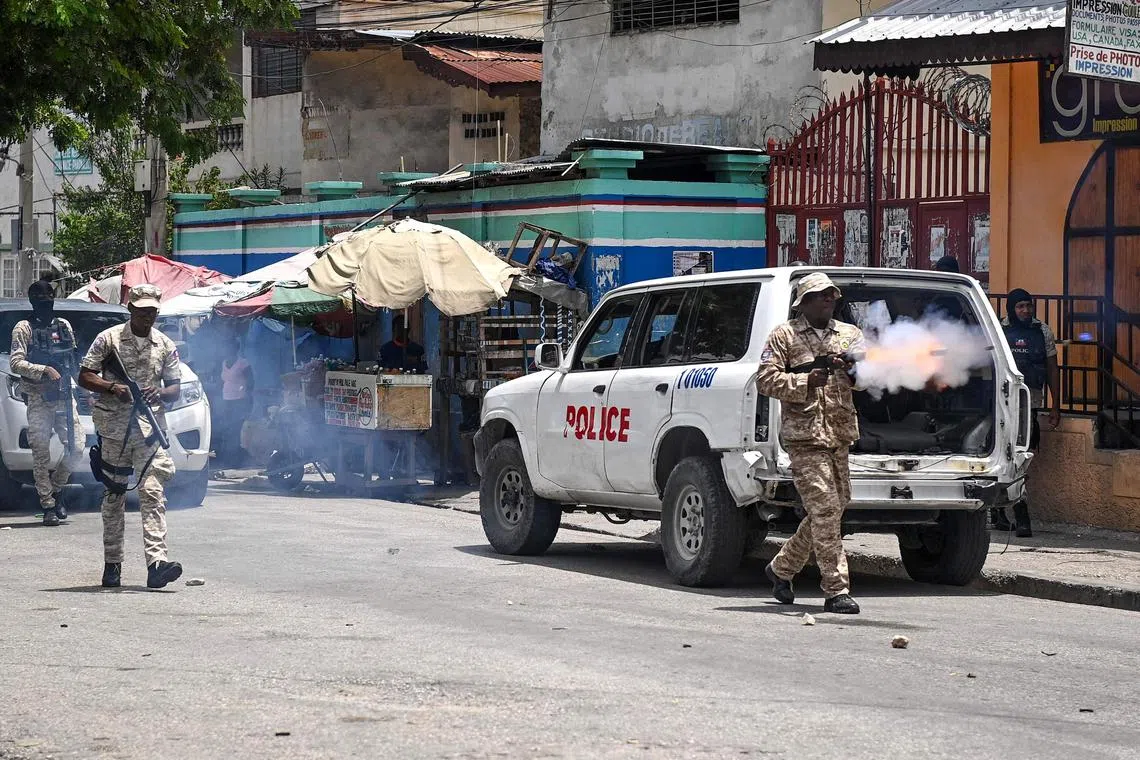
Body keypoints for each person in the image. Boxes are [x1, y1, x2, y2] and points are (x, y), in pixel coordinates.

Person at [758, 272, 865, 615]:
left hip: (839, 433)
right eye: (820, 295)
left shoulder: (850, 335)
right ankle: (836, 590)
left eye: (831, 295)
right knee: (825, 509)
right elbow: (765, 379)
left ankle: (781, 568)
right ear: (803, 302)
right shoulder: (784, 335)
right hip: (805, 438)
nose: (828, 300)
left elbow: (865, 380)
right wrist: (805, 380)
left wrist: (853, 371)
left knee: (835, 506)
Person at [78, 284, 184, 590]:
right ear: (131, 309)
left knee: (152, 490)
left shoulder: (164, 344)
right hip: (114, 430)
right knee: (115, 496)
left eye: (152, 310)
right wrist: (112, 387)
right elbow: (85, 374)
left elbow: (175, 388)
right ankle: (113, 564)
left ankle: (157, 565)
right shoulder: (108, 339)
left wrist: (159, 391)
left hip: (149, 431)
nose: (148, 316)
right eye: (142, 310)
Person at [9, 275, 85, 525]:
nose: (46, 304)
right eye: (41, 300)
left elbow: (72, 358)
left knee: (76, 447)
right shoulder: (24, 328)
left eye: (49, 299)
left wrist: (85, 388)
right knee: (41, 454)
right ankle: (49, 505)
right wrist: (42, 370)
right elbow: (16, 362)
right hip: (38, 396)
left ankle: (57, 489)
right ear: (32, 302)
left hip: (63, 395)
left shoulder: (63, 325)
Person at [996, 288, 1061, 538]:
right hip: (1003, 405)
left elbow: (1052, 368)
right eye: (1020, 306)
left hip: (1030, 404)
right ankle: (1006, 514)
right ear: (1011, 308)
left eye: (1028, 306)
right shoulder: (999, 329)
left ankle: (1017, 513)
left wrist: (1056, 404)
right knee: (1004, 457)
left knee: (1023, 458)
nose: (1025, 311)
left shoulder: (1041, 330)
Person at [218, 337, 254, 466]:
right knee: (228, 429)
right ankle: (230, 457)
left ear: (235, 348)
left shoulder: (243, 363)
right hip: (226, 399)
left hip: (240, 400)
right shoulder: (224, 363)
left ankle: (238, 459)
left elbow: (251, 382)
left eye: (229, 347)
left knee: (237, 429)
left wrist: (248, 397)